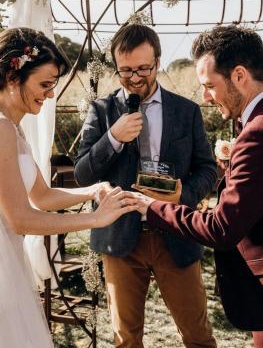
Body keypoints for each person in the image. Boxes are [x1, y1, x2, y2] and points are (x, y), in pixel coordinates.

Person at [74, 24, 217, 348]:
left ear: (157, 61)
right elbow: (82, 174)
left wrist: (185, 195)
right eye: (126, 70)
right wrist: (113, 138)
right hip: (120, 240)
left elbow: (207, 168)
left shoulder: (187, 111)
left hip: (176, 234)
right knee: (126, 340)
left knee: (198, 338)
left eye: (143, 68)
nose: (135, 77)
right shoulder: (101, 111)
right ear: (116, 66)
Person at [0, 27, 137, 348]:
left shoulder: (14, 130)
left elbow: (42, 196)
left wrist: (92, 191)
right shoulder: (2, 130)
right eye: (45, 85)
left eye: (53, 86)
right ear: (12, 76)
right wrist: (94, 219)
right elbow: (21, 219)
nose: (49, 95)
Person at [133, 24, 263, 348]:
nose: (205, 96)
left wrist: (152, 208)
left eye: (209, 86)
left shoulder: (256, 132)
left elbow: (222, 229)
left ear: (239, 76)